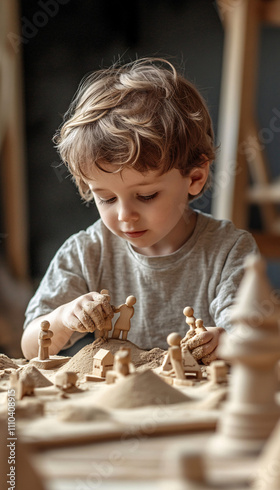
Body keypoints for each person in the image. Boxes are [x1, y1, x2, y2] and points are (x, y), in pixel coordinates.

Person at [21, 57, 257, 361]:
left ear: (195, 177)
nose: (124, 215)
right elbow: (30, 347)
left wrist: (223, 341)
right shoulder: (87, 253)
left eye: (146, 195)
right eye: (106, 198)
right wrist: (64, 318)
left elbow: (252, 338)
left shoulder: (228, 251)